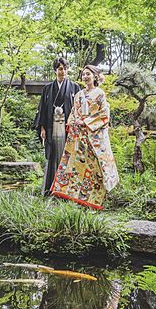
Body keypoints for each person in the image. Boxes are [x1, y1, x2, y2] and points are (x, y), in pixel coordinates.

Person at [50, 65, 119, 210]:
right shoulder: (79, 94)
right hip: (79, 135)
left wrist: (86, 122)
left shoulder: (100, 94)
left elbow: (104, 114)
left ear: (95, 77)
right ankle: (77, 196)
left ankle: (97, 198)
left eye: (88, 74)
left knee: (96, 165)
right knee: (79, 164)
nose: (85, 77)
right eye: (83, 74)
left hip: (94, 135)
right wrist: (73, 122)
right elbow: (74, 112)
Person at [35, 57, 81, 196]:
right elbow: (42, 109)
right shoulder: (48, 88)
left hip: (68, 127)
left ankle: (66, 191)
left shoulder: (74, 87)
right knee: (53, 155)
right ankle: (50, 188)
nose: (63, 72)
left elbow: (79, 109)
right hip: (51, 127)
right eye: (60, 69)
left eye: (65, 69)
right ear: (55, 70)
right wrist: (42, 128)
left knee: (67, 156)